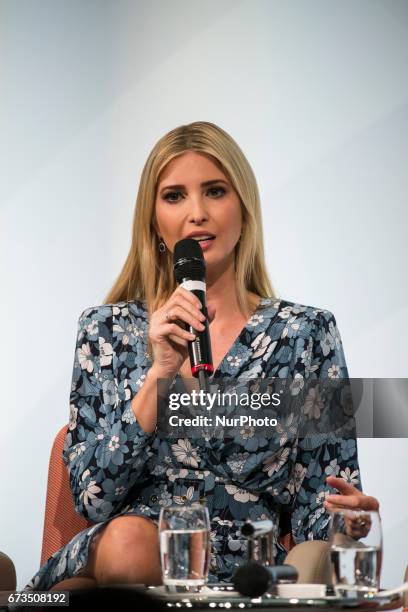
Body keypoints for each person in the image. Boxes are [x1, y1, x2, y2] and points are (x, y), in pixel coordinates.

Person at [26, 121, 379, 591]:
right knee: (130, 542)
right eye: (174, 196)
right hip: (129, 556)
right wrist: (159, 376)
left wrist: (346, 525)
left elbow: (321, 500)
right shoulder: (106, 330)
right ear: (153, 220)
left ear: (244, 208)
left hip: (249, 566)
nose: (197, 213)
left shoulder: (305, 333)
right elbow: (91, 497)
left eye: (215, 191)